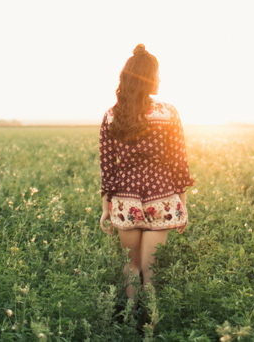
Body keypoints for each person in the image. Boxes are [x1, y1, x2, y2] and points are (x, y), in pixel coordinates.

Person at [98, 44, 194, 311]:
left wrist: (106, 208)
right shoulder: (169, 113)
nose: (160, 79)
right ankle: (150, 326)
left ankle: (130, 321)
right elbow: (179, 163)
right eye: (158, 74)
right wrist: (182, 204)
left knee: (131, 266)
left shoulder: (111, 115)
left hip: (124, 200)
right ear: (149, 77)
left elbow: (108, 168)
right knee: (151, 271)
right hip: (161, 199)